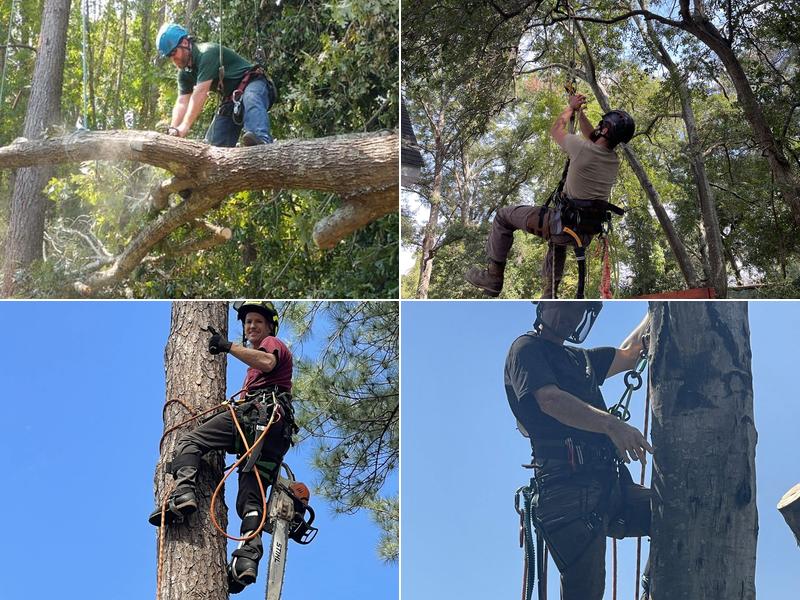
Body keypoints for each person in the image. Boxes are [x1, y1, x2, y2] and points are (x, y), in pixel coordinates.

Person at [505, 301, 651, 600]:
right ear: (543, 307)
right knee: (586, 592)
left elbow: (629, 353)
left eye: (576, 311)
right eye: (562, 307)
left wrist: (656, 311)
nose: (567, 316)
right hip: (566, 492)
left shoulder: (580, 359)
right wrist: (613, 425)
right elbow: (550, 400)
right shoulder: (527, 349)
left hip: (610, 485)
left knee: (675, 511)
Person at [148, 300, 296, 594]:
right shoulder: (259, 363)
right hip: (273, 437)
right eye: (248, 323)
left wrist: (226, 346)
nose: (252, 327)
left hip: (259, 417)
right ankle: (246, 561)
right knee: (251, 500)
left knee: (190, 440)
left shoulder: (271, 344)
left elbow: (266, 362)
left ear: (269, 326)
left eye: (257, 322)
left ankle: (183, 495)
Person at [466, 95, 635, 298]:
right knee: (558, 242)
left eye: (602, 125)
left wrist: (569, 108)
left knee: (503, 216)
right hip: (583, 232)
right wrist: (580, 113)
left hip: (563, 226)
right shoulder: (612, 161)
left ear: (605, 129)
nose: (598, 127)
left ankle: (493, 277)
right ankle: (549, 294)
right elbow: (593, 137)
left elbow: (556, 130)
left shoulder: (581, 149)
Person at [156, 23, 276, 147]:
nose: (173, 59)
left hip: (255, 83)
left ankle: (262, 142)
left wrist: (184, 127)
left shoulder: (207, 53)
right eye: (169, 56)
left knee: (250, 97)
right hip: (232, 99)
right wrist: (173, 130)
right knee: (212, 147)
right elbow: (182, 102)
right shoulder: (184, 74)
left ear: (185, 43)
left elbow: (201, 92)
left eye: (174, 52)